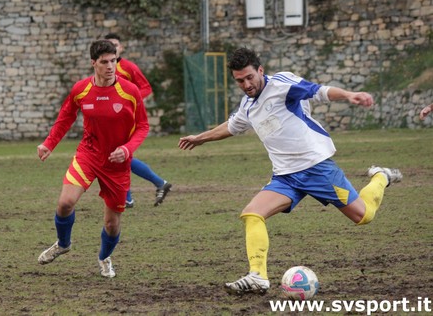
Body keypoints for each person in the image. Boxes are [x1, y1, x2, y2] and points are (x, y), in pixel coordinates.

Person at [178, 47, 403, 295]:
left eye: (250, 77)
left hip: (317, 168)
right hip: (285, 177)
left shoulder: (282, 84)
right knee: (252, 214)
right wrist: (201, 138)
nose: (246, 84)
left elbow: (318, 91)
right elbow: (232, 126)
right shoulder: (248, 105)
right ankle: (258, 277)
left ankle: (381, 176)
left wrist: (348, 95)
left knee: (363, 216)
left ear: (260, 70)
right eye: (239, 80)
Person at [37, 40, 149, 278]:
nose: (111, 67)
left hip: (117, 165)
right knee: (65, 203)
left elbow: (143, 126)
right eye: (105, 62)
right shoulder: (81, 89)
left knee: (112, 224)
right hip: (88, 155)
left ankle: (104, 257)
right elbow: (66, 116)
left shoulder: (130, 91)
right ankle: (63, 243)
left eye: (114, 61)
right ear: (93, 63)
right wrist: (49, 143)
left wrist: (127, 150)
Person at [104, 33, 172, 208]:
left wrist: (130, 101)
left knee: (119, 154)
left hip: (127, 117)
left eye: (115, 44)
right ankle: (148, 188)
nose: (113, 48)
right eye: (109, 45)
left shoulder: (128, 67)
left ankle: (131, 196)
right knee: (120, 155)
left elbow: (146, 88)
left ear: (121, 48)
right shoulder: (104, 68)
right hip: (112, 118)